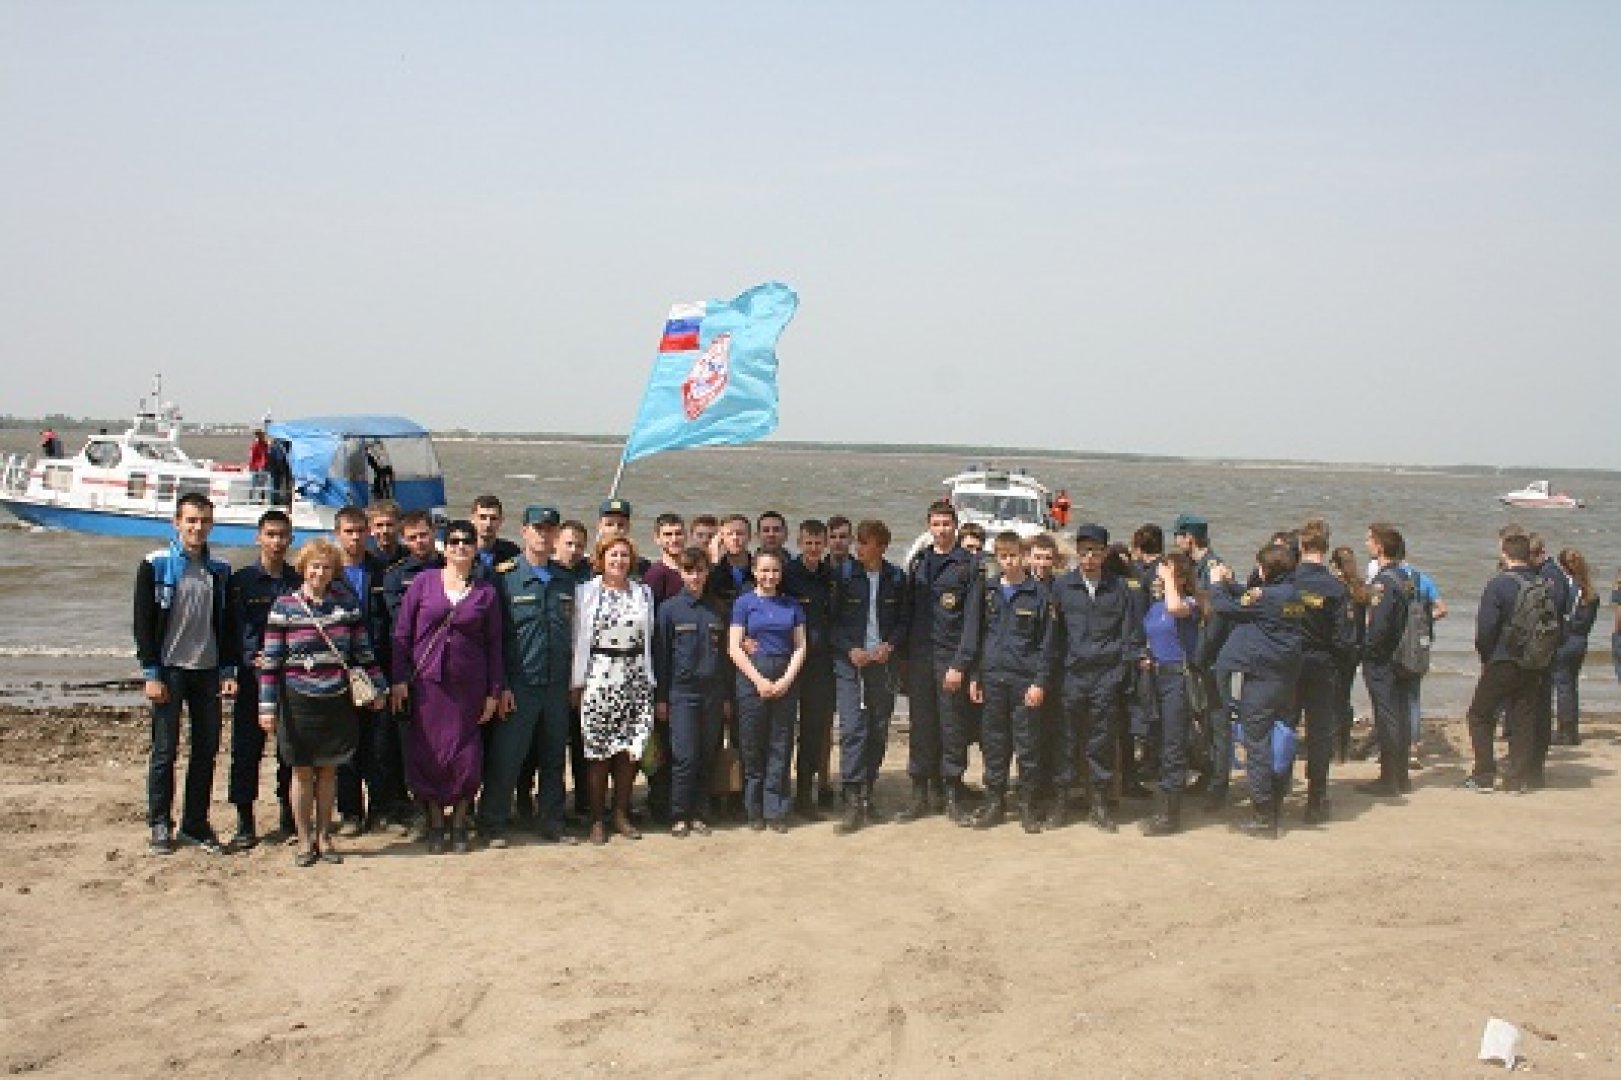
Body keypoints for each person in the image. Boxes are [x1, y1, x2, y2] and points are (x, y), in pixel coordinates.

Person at [258, 539, 388, 866]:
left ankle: (325, 837)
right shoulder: (284, 606)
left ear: (334, 571)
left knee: (329, 771)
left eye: (326, 567)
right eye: (314, 566)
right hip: (297, 700)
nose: (320, 572)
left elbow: (363, 652)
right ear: (304, 568)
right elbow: (271, 663)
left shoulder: (346, 605)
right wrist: (267, 708)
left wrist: (379, 688)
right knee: (301, 772)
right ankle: (304, 840)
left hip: (336, 698)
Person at [390, 519, 504, 854]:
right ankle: (436, 822)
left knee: (466, 754)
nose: (460, 546)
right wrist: (399, 679)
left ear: (475, 548)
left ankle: (460, 822)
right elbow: (402, 634)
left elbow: (495, 644)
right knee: (428, 752)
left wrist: (494, 691)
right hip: (427, 685)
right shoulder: (424, 583)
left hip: (469, 686)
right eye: (453, 541)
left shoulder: (486, 592)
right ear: (445, 547)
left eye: (467, 541)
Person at [133, 493, 238, 855]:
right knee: (165, 750)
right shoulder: (155, 564)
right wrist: (151, 673)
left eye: (204, 521)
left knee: (206, 750)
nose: (197, 527)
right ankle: (160, 822)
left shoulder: (220, 570)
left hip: (207, 671)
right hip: (170, 671)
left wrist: (228, 671)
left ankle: (195, 822)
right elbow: (143, 623)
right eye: (191, 520)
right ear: (176, 523)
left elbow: (227, 626)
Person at [483, 506, 577, 847]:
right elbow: (495, 638)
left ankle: (551, 821)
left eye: (549, 529)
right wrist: (502, 685)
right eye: (537, 528)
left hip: (556, 684)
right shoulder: (504, 577)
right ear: (524, 532)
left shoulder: (566, 579)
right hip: (520, 683)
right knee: (507, 758)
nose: (543, 535)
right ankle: (492, 823)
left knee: (554, 758)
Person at [1046, 524, 1147, 832]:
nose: (1089, 558)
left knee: (1101, 741)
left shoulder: (1120, 588)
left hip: (1106, 675)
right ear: (1077, 553)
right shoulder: (1063, 586)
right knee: (1066, 739)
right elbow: (1053, 635)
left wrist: (1121, 670)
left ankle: (1100, 804)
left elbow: (1130, 633)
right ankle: (1061, 802)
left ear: (1104, 554)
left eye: (1095, 552)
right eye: (1084, 551)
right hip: (1072, 675)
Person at [955, 531, 1053, 832]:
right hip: (993, 677)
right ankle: (994, 803)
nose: (1008, 562)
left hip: (1024, 679)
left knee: (1027, 744)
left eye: (1013, 556)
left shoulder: (1039, 594)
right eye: (1003, 557)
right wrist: (975, 676)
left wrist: (1040, 682)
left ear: (1023, 556)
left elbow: (1047, 644)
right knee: (994, 743)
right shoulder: (988, 591)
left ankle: (1027, 805)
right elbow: (977, 635)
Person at [1208, 545, 1304, 837]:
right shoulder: (1294, 594)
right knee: (1281, 736)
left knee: (1257, 743)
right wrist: (1232, 584)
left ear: (1267, 570)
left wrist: (1216, 584)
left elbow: (1227, 608)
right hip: (1286, 676)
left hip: (1262, 678)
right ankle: (1276, 799)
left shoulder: (1268, 597)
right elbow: (1255, 601)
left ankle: (1263, 813)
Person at [570, 536, 657, 845]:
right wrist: (577, 683)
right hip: (600, 676)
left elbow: (648, 637)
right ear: (601, 558)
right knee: (598, 752)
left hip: (635, 677)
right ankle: (597, 819)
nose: (618, 560)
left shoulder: (643, 592)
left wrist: (649, 679)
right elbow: (578, 639)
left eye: (624, 555)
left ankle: (621, 813)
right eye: (613, 555)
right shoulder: (586, 592)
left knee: (629, 751)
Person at [896, 500, 977, 824]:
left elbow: (972, 621)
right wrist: (903, 657)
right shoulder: (919, 563)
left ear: (955, 526)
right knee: (921, 726)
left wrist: (961, 664)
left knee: (952, 727)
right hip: (919, 658)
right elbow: (908, 612)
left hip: (949, 657)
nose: (941, 530)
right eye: (936, 524)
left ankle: (953, 794)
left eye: (946, 524)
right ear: (928, 527)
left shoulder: (968, 565)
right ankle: (920, 793)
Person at [225, 509, 300, 850]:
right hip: (252, 679)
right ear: (258, 537)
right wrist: (241, 663)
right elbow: (231, 629)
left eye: (282, 535)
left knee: (289, 751)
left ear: (290, 539)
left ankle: (288, 813)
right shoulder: (242, 581)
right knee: (246, 752)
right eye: (270, 535)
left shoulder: (296, 580)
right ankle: (244, 821)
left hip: (289, 678)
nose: (276, 542)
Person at [830, 519, 907, 834]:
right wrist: (850, 649)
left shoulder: (897, 578)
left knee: (878, 728)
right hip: (850, 663)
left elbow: (904, 620)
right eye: (857, 542)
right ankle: (850, 797)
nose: (858, 548)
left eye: (864, 543)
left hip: (882, 664)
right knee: (852, 728)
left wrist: (891, 645)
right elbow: (830, 621)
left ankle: (866, 791)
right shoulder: (843, 575)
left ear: (881, 547)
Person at [1459, 532, 1544, 794]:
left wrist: (1486, 655)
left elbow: (1486, 628)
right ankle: (1518, 779)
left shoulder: (1499, 585)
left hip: (1503, 658)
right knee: (1523, 717)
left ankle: (1484, 774)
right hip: (1534, 659)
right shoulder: (1542, 583)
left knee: (1479, 715)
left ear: (1505, 554)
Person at [729, 549, 808, 832]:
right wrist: (758, 680)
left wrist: (786, 680)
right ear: (754, 571)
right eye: (764, 570)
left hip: (785, 678)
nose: (769, 576)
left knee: (781, 744)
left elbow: (800, 646)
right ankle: (754, 809)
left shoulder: (792, 605)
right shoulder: (744, 603)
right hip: (752, 680)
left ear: (781, 573)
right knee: (752, 745)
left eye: (775, 570)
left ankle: (776, 810)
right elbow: (734, 647)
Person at [654, 547, 729, 837]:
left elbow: (725, 659)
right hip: (681, 693)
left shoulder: (718, 609)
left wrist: (726, 697)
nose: (695, 577)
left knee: (706, 754)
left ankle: (699, 812)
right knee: (684, 756)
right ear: (681, 573)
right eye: (689, 571)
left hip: (712, 693)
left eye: (700, 570)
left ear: (707, 572)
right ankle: (679, 813)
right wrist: (661, 698)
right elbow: (661, 657)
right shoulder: (669, 610)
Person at [331, 506, 392, 836]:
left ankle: (380, 809)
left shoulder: (382, 570)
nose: (355, 537)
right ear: (337, 533)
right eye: (348, 531)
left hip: (377, 664)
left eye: (359, 531)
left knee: (379, 744)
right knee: (346, 744)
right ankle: (350, 811)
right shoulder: (327, 572)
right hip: (340, 668)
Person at [1292, 520, 1353, 824]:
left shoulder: (1290, 581)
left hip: (1290, 661)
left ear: (1301, 546)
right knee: (1319, 732)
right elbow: (1343, 638)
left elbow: (1281, 618)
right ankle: (1316, 799)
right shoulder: (1336, 588)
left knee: (1284, 725)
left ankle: (1276, 790)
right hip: (1322, 663)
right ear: (1326, 549)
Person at [1138, 552, 1203, 836]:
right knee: (1159, 740)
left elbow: (1176, 608)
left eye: (1166, 573)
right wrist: (1146, 656)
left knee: (1174, 744)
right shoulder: (1156, 607)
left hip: (1178, 678)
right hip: (1156, 678)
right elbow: (1151, 635)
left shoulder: (1189, 603)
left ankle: (1170, 815)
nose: (1159, 577)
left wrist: (1170, 578)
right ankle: (1163, 802)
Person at [782, 518, 836, 818]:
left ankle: (804, 796)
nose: (813, 548)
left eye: (818, 543)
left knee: (813, 732)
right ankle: (778, 795)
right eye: (808, 543)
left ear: (825, 544)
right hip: (789, 662)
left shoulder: (830, 575)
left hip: (820, 665)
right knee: (782, 730)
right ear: (799, 543)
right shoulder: (787, 575)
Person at [1359, 524, 1414, 797]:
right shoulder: (1406, 577)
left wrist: (1366, 650)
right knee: (1399, 714)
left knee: (1386, 717)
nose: (1366, 543)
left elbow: (1379, 626)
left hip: (1384, 659)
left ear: (1380, 546)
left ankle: (1389, 779)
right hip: (1404, 656)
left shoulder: (1383, 582)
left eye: (1369, 539)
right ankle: (1400, 776)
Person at [1552, 548, 1599, 746]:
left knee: (1562, 685)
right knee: (1571, 684)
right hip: (1581, 640)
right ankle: (1572, 730)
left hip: (1566, 640)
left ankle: (1565, 731)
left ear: (1564, 567)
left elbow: (1563, 616)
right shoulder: (1590, 591)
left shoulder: (1568, 588)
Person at [1328, 545, 1369, 763]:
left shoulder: (1336, 589)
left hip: (1338, 650)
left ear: (1335, 565)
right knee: (1343, 697)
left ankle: (1337, 750)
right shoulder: (1359, 588)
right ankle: (1342, 747)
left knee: (1334, 700)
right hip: (1354, 650)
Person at [642, 513, 688, 606]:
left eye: (678, 533)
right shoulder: (655, 575)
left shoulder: (694, 571)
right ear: (657, 539)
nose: (674, 539)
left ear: (686, 536)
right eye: (668, 534)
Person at [471, 495, 522, 578]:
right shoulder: (461, 551)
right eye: (482, 517)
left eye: (493, 518)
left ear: (501, 520)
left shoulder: (511, 552)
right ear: (472, 519)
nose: (488, 524)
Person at [247, 430, 270, 502]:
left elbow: (264, 456)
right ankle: (252, 499)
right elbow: (252, 456)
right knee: (256, 484)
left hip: (261, 467)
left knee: (260, 484)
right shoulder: (258, 445)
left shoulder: (263, 445)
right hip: (258, 467)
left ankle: (258, 499)